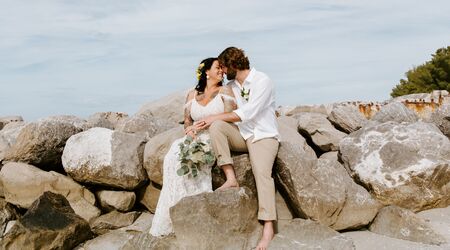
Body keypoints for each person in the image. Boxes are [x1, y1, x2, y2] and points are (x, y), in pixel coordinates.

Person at [196, 47, 279, 250]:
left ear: (233, 65)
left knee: (262, 174)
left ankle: (268, 228)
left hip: (263, 136)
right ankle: (230, 178)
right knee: (217, 127)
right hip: (243, 135)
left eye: (223, 67)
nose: (222, 72)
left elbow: (248, 113)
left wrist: (213, 117)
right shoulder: (232, 85)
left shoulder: (262, 81)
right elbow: (214, 102)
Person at [149, 57, 237, 237]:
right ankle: (173, 210)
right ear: (206, 72)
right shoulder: (192, 95)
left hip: (215, 134)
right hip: (195, 136)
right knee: (174, 154)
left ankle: (195, 208)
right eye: (218, 68)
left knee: (196, 160)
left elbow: (231, 115)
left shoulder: (225, 90)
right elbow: (187, 121)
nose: (222, 71)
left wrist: (211, 122)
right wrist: (190, 131)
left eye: (222, 68)